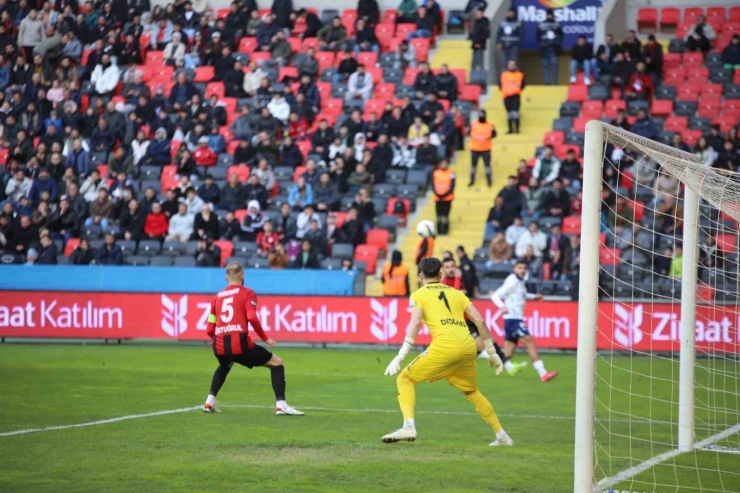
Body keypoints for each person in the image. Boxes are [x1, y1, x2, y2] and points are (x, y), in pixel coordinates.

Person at [381, 257, 510, 446]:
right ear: (441, 274)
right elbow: (480, 321)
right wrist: (492, 353)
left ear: (420, 276)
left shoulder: (418, 295)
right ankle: (502, 436)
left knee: (405, 379)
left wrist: (401, 354)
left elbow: (416, 322)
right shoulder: (458, 294)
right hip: (468, 347)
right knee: (472, 391)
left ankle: (409, 426)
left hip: (445, 348)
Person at [203, 262, 305, 416]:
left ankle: (209, 402)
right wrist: (265, 338)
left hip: (220, 345)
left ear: (226, 278)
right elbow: (251, 316)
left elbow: (210, 329)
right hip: (240, 344)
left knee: (225, 364)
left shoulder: (216, 298)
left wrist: (215, 339)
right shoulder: (247, 292)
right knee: (277, 363)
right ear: (242, 276)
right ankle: (281, 405)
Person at [491, 260, 559, 382]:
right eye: (519, 268)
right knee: (530, 342)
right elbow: (495, 296)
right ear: (514, 269)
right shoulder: (511, 281)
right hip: (513, 320)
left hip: (511, 320)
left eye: (524, 268)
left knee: (508, 353)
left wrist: (534, 296)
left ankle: (487, 358)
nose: (522, 270)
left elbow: (520, 295)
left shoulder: (519, 281)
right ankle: (543, 373)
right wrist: (502, 306)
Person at [468, 109, 496, 187]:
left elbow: (494, 134)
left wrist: (486, 137)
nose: (481, 116)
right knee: (473, 166)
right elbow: (468, 133)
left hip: (486, 149)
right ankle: (472, 180)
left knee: (487, 165)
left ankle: (489, 181)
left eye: (482, 114)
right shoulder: (473, 124)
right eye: (480, 114)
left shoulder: (490, 125)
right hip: (475, 148)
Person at [536, 9, 562, 85]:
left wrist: (557, 43)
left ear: (553, 15)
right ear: (546, 15)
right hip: (544, 48)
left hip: (554, 48)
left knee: (555, 66)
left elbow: (561, 35)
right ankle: (547, 82)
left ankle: (555, 82)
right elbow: (538, 35)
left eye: (551, 15)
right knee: (545, 66)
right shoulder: (541, 24)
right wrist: (541, 44)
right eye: (548, 15)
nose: (549, 16)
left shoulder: (557, 24)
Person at [500, 60, 524, 135]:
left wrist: (516, 90)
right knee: (509, 113)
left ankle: (517, 129)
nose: (511, 66)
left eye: (513, 64)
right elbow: (500, 84)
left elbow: (523, 84)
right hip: (506, 96)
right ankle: (510, 129)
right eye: (510, 64)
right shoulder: (503, 74)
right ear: (507, 66)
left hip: (515, 97)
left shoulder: (519, 74)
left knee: (515, 113)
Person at [432, 159, 454, 236]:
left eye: (445, 163)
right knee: (438, 215)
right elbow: (433, 185)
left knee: (445, 215)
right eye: (442, 163)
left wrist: (445, 195)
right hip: (438, 198)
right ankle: (438, 230)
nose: (443, 165)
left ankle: (445, 230)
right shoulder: (435, 173)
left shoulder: (451, 173)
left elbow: (452, 186)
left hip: (447, 198)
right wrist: (438, 194)